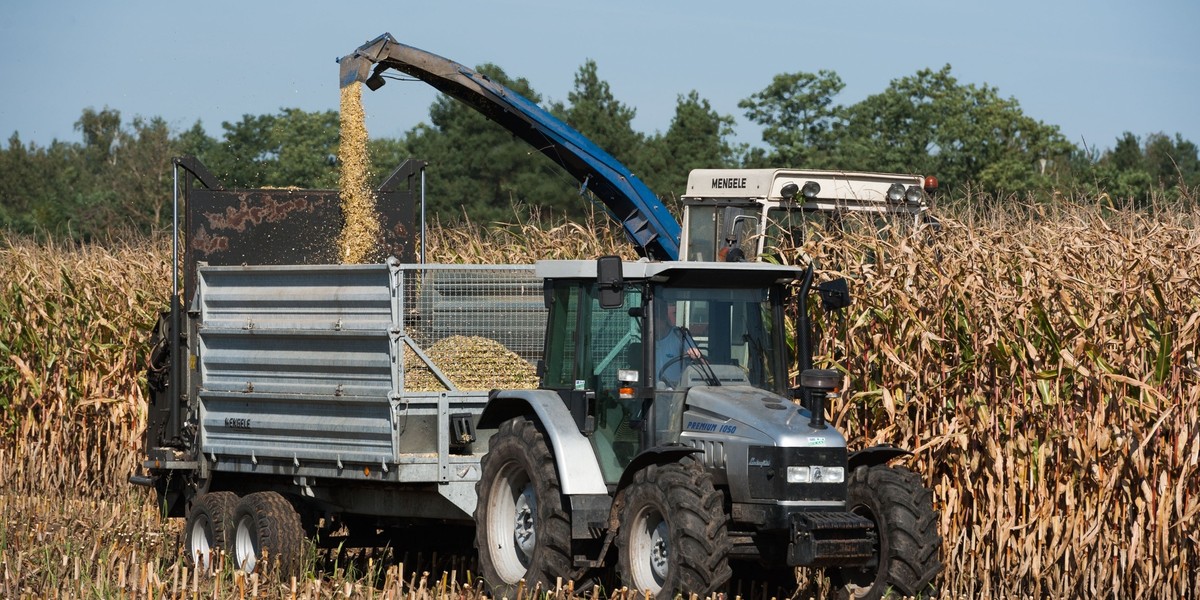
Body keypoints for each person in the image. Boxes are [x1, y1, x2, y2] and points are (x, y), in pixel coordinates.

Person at [654, 302, 702, 386]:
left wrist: (695, 355)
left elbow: (701, 362)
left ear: (664, 319)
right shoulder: (647, 340)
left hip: (675, 390)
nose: (654, 326)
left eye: (657, 320)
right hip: (652, 390)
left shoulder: (679, 336)